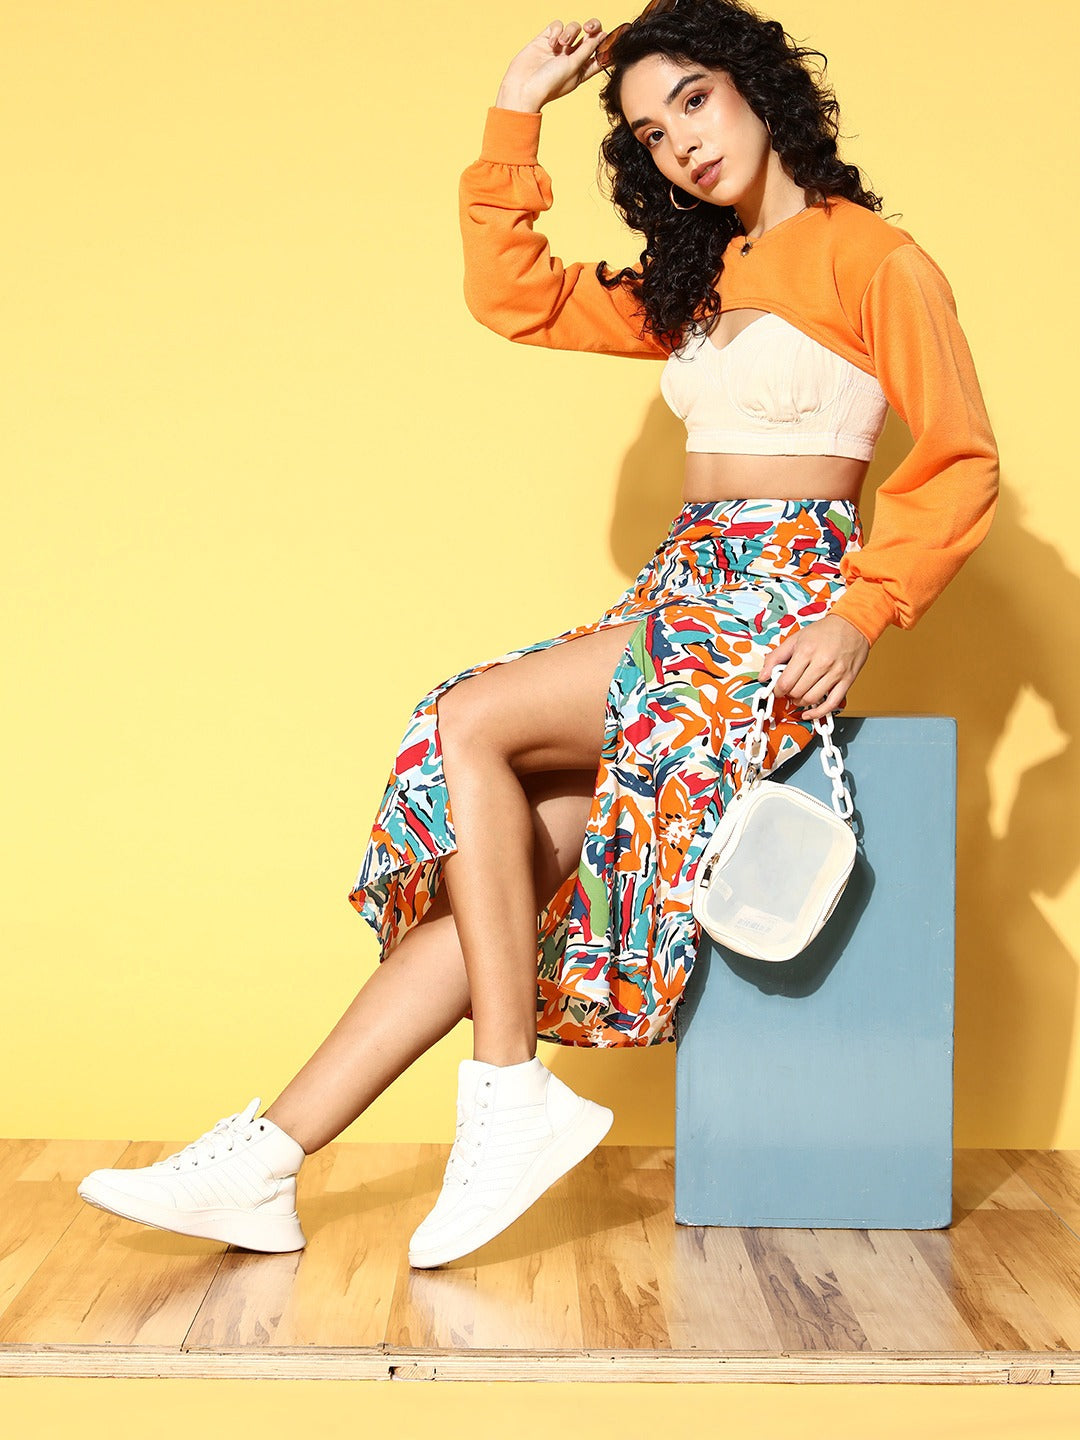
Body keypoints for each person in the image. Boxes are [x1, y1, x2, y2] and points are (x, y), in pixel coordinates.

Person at [78, 0, 998, 1269]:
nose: (681, 141)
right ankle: (269, 1161)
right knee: (498, 871)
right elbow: (514, 297)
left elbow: (959, 457)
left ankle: (508, 1094)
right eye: (651, 130)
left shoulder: (873, 259)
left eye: (694, 100)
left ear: (758, 88)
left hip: (772, 602)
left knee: (468, 718)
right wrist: (518, 109)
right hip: (681, 592)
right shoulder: (702, 275)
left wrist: (862, 611)